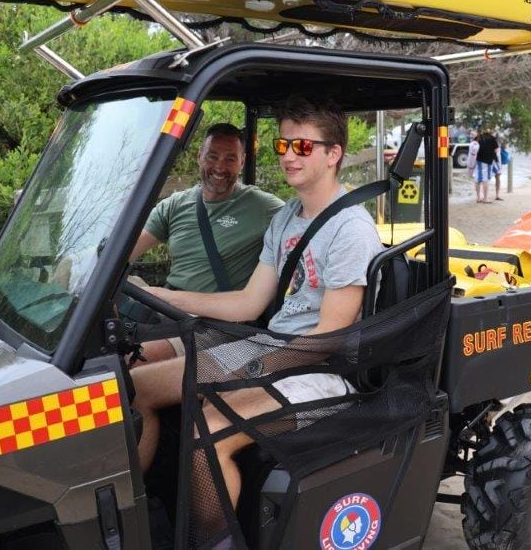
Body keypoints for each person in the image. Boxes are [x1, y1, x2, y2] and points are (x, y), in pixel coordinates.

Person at [130, 97, 383, 514]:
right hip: (268, 347)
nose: (288, 156)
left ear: (333, 154)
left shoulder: (350, 228)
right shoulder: (286, 217)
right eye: (283, 146)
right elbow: (249, 303)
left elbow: (328, 340)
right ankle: (133, 520)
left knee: (206, 430)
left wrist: (248, 370)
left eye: (301, 147)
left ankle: (214, 543)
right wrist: (166, 297)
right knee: (141, 387)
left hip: (320, 370)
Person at [128, 123, 283, 363]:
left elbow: (309, 223)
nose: (220, 167)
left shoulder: (263, 207)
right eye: (212, 156)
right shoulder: (175, 205)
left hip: (212, 324)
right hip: (166, 307)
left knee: (132, 359)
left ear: (242, 162)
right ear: (200, 156)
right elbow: (124, 252)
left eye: (230, 158)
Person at [474, 128, 499, 203]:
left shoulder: (478, 137)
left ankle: (478, 197)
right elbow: (497, 150)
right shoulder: (492, 138)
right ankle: (485, 198)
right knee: (485, 179)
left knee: (477, 178)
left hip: (479, 160)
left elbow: (473, 147)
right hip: (488, 161)